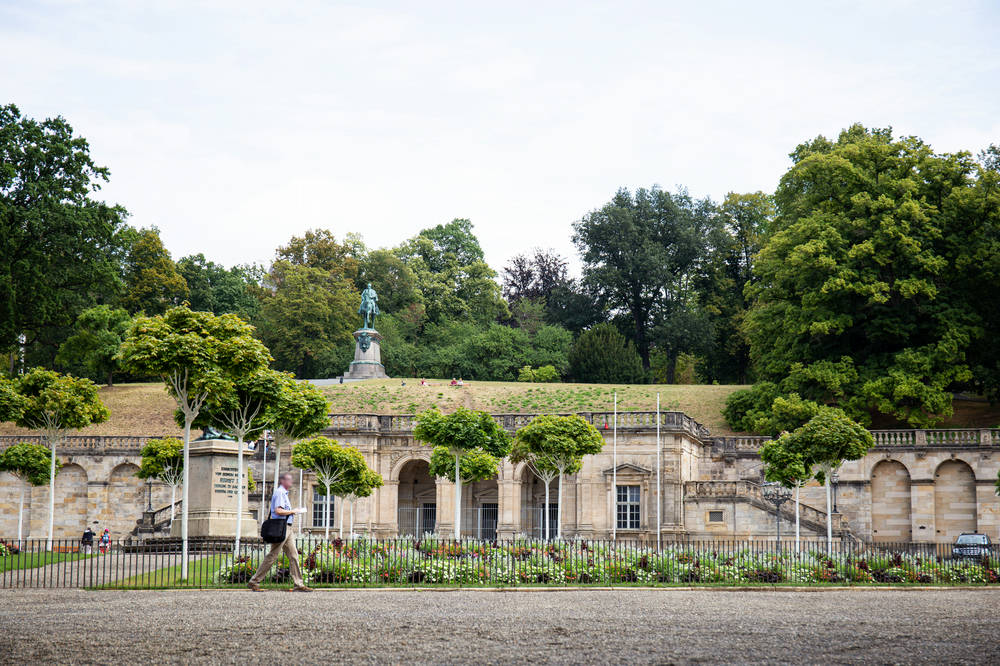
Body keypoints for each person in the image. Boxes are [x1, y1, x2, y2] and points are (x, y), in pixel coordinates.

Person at [248, 472, 312, 592]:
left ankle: (298, 583)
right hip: (281, 527)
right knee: (272, 555)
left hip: (287, 528)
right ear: (283, 481)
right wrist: (294, 511)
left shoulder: (284, 494)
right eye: (289, 480)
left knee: (293, 556)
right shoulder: (280, 493)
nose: (291, 482)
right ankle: (254, 581)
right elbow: (278, 511)